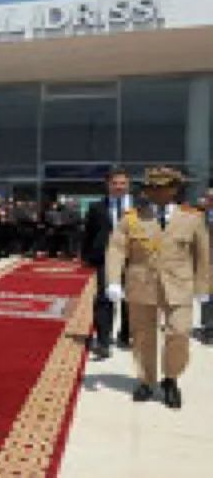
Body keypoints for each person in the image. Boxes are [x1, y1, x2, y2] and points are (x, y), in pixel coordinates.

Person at [106, 167, 209, 409]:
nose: (159, 192)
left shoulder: (193, 217)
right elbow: (117, 249)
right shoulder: (132, 217)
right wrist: (113, 280)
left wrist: (204, 286)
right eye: (154, 188)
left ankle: (171, 379)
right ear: (147, 191)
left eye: (165, 188)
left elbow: (203, 255)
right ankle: (146, 380)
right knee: (142, 337)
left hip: (179, 285)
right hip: (141, 283)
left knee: (180, 333)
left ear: (174, 189)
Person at [81, 167, 133, 360]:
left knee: (132, 298)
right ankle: (103, 340)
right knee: (104, 297)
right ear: (108, 185)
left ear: (128, 185)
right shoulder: (96, 207)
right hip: (105, 258)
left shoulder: (140, 206)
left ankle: (126, 335)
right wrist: (86, 255)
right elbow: (89, 233)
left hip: (134, 258)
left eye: (122, 183)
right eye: (115, 183)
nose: (119, 187)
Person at [200, 188, 213, 344]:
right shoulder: (198, 217)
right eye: (210, 198)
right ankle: (208, 328)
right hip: (205, 261)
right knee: (207, 295)